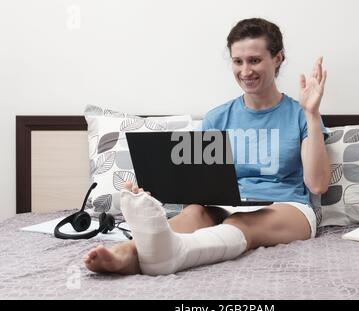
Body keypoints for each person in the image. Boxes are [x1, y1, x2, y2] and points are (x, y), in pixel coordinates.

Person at [84, 17, 331, 276]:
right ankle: (128, 251)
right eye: (238, 61)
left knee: (241, 221)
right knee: (194, 213)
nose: (245, 71)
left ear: (278, 58)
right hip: (223, 206)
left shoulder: (301, 115)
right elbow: (202, 184)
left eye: (255, 60)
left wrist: (312, 114)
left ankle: (172, 253)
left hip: (285, 208)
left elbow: (317, 184)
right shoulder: (217, 118)